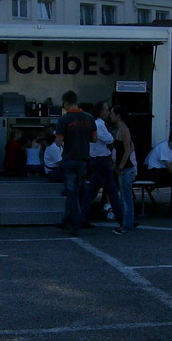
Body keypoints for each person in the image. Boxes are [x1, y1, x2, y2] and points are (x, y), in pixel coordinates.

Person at [54, 90, 96, 234]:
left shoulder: (63, 119)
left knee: (71, 194)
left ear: (66, 102)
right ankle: (66, 220)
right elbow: (95, 139)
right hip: (83, 160)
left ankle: (76, 224)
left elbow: (59, 142)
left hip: (69, 159)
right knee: (78, 190)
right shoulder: (89, 118)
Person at [81, 101, 122, 227]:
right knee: (112, 190)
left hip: (96, 160)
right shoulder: (99, 124)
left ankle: (81, 218)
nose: (108, 112)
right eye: (106, 110)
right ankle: (122, 218)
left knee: (91, 192)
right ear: (100, 111)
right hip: (102, 160)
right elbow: (109, 139)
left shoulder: (94, 123)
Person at [109, 105, 136, 235]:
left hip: (126, 169)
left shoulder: (124, 130)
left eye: (112, 113)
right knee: (125, 198)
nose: (110, 115)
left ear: (118, 115)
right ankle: (126, 223)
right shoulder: (120, 129)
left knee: (126, 199)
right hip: (124, 168)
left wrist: (119, 167)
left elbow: (127, 150)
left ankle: (126, 225)